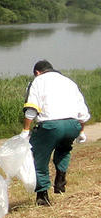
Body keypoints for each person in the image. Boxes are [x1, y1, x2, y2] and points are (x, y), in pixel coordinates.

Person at [20, 60, 90, 206]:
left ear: (37, 72)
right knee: (64, 149)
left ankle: (42, 195)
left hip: (51, 125)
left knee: (39, 158)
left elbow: (32, 108)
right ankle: (60, 180)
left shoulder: (37, 81)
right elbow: (82, 111)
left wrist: (26, 130)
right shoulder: (69, 82)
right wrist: (81, 131)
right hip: (73, 124)